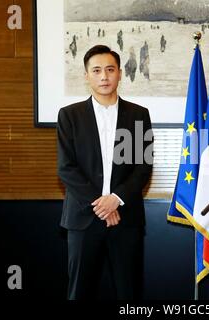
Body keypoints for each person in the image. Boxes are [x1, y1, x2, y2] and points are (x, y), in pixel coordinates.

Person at [57, 45, 153, 300]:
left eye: (110, 70)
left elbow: (142, 167)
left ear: (120, 73)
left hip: (126, 219)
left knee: (129, 292)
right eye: (96, 70)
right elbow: (66, 168)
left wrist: (116, 199)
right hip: (83, 220)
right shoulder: (70, 116)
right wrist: (101, 205)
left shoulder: (137, 115)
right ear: (86, 76)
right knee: (80, 292)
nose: (104, 76)